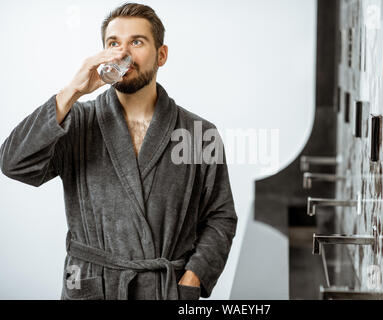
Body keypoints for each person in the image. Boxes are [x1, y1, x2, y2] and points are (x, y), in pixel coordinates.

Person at [0, 2, 237, 300]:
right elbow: (13, 164)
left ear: (161, 55)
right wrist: (72, 91)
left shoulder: (200, 133)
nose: (123, 53)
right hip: (93, 287)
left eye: (136, 42)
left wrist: (193, 278)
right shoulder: (77, 122)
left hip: (164, 292)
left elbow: (221, 216)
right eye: (114, 43)